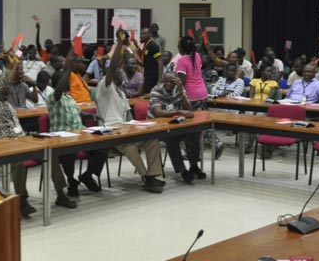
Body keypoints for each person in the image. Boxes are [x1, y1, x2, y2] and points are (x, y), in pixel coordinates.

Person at [0, 56, 73, 214]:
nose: (5, 89)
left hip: (21, 139)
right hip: (5, 143)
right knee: (18, 160)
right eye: (1, 87)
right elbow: (1, 88)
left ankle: (61, 193)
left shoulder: (8, 105)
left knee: (50, 151)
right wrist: (13, 66)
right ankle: (22, 200)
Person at [97, 32, 166, 193]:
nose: (121, 73)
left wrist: (136, 127)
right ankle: (146, 178)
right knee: (129, 146)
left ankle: (153, 175)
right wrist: (120, 44)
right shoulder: (104, 87)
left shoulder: (121, 93)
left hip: (127, 128)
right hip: (111, 130)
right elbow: (114, 66)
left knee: (152, 139)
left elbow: (129, 116)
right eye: (117, 73)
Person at [49, 52, 106, 197]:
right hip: (63, 138)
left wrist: (92, 116)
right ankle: (71, 181)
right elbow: (58, 90)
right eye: (65, 80)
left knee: (102, 149)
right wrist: (68, 68)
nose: (69, 82)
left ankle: (87, 175)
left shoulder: (69, 98)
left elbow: (78, 113)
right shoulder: (53, 97)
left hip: (80, 134)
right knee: (69, 155)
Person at [149, 69, 203, 183]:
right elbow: (159, 112)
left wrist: (181, 93)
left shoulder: (179, 89)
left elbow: (189, 109)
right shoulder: (156, 91)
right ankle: (182, 170)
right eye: (166, 82)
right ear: (163, 81)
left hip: (176, 124)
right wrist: (179, 112)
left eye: (172, 82)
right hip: (156, 127)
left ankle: (194, 166)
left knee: (194, 133)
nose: (169, 84)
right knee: (171, 138)